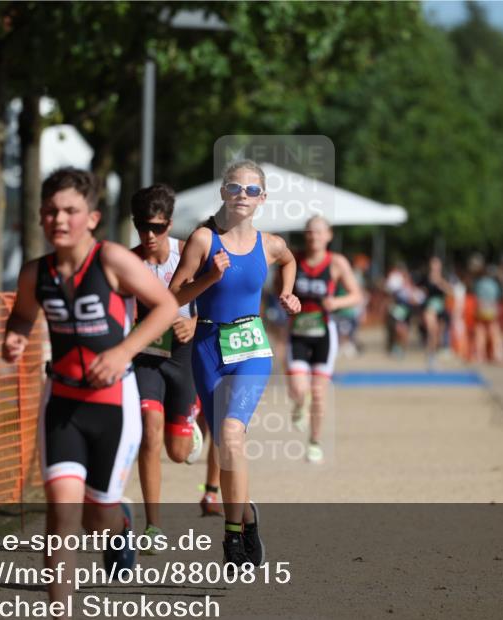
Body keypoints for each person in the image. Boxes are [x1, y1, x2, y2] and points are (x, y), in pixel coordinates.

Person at [2, 168, 178, 620]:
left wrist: (124, 352)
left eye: (71, 211)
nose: (60, 219)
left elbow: (165, 307)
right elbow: (21, 314)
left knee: (97, 519)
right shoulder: (36, 273)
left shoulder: (114, 261)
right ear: (40, 215)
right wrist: (16, 335)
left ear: (92, 218)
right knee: (60, 513)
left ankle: (120, 522)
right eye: (51, 210)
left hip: (112, 406)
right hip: (61, 403)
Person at [169, 159, 300, 567]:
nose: (243, 196)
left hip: (251, 347)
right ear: (223, 193)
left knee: (231, 432)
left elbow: (290, 261)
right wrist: (209, 278)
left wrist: (288, 293)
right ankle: (245, 517)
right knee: (226, 447)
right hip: (208, 347)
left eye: (252, 190)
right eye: (235, 189)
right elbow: (174, 294)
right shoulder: (204, 240)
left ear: (263, 199)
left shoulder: (271, 244)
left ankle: (233, 540)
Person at [128, 184, 217, 550]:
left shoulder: (188, 253)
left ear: (169, 224)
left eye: (158, 227)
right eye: (142, 226)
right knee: (150, 430)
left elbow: (217, 303)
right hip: (146, 357)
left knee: (179, 454)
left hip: (183, 356)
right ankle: (154, 525)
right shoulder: (128, 262)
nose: (150, 235)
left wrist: (195, 324)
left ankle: (194, 413)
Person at [285, 216, 363, 464]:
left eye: (318, 232)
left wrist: (336, 302)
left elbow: (356, 295)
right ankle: (299, 404)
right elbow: (281, 291)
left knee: (319, 392)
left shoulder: (337, 263)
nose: (313, 237)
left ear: (328, 235)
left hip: (323, 332)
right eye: (309, 232)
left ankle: (315, 441)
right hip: (297, 329)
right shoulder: (293, 260)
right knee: (299, 387)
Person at [419, 256, 453, 371]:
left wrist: (441, 283)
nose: (435, 267)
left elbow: (450, 292)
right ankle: (430, 357)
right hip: (430, 308)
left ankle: (434, 357)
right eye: (433, 264)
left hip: (441, 308)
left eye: (437, 264)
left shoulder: (444, 278)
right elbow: (421, 292)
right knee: (432, 331)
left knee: (438, 335)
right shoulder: (426, 278)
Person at [470, 254, 503, 364]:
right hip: (492, 309)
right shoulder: (494, 284)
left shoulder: (478, 283)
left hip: (481, 309)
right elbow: (498, 297)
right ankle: (496, 354)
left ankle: (480, 355)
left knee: (481, 332)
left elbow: (475, 297)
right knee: (494, 333)